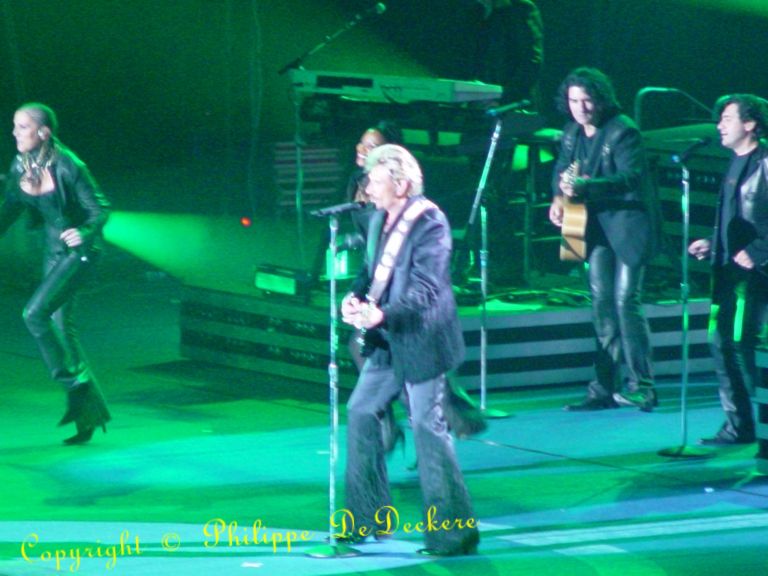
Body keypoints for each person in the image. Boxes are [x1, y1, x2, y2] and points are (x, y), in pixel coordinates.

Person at [338, 144, 479, 556]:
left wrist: (382, 314)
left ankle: (453, 534)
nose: (367, 188)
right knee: (361, 411)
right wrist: (354, 298)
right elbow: (369, 272)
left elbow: (426, 288)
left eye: (374, 181)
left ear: (400, 184)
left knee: (427, 429)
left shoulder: (430, 222)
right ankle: (367, 517)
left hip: (422, 339)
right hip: (387, 340)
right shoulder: (377, 219)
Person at [548, 67, 660, 412]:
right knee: (601, 304)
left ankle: (642, 387)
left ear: (600, 99)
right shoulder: (571, 132)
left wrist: (587, 186)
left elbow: (631, 178)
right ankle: (602, 389)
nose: (580, 108)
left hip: (626, 226)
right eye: (573, 101)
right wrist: (558, 199)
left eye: (587, 100)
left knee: (626, 301)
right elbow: (561, 169)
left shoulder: (623, 130)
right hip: (591, 227)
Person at [2, 103, 111, 445]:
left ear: (43, 132)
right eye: (14, 126)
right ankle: (87, 415)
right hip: (53, 252)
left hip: (79, 252)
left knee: (34, 314)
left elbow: (100, 208)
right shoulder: (21, 164)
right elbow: (9, 210)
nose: (14, 133)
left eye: (22, 127)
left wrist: (86, 231)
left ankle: (74, 384)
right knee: (62, 329)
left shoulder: (69, 165)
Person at [688, 94, 768, 446]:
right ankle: (739, 425)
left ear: (750, 124)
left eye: (727, 119)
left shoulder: (765, 162)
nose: (719, 125)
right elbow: (735, 218)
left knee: (744, 344)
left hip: (755, 273)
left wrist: (758, 251)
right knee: (720, 342)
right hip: (727, 269)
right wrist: (713, 242)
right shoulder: (733, 162)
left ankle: (761, 428)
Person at [474, 0, 544, 107]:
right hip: (484, 103)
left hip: (514, 105)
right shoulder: (479, 13)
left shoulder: (520, 9)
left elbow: (531, 61)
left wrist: (505, 98)